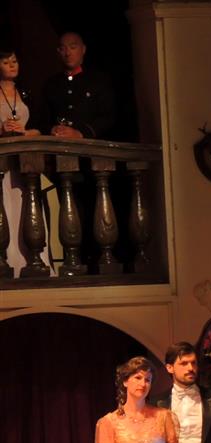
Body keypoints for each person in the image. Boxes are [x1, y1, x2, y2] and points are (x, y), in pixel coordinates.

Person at [1, 47, 48, 278]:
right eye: (6, 62)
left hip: (24, 161)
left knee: (24, 204)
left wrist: (24, 132)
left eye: (15, 61)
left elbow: (41, 126)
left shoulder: (26, 93)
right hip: (2, 161)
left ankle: (31, 261)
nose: (12, 65)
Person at [35, 32, 116, 139]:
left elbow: (108, 117)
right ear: (58, 52)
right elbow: (42, 119)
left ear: (83, 49)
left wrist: (81, 133)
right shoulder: (51, 84)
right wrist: (51, 129)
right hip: (57, 144)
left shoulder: (98, 80)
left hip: (90, 145)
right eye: (63, 49)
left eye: (73, 47)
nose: (68, 53)